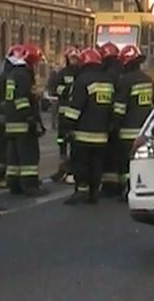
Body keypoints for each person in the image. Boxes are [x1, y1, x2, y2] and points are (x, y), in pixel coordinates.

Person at [62, 47, 115, 205]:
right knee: (97, 164)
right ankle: (94, 193)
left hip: (83, 134)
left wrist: (67, 127)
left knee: (82, 163)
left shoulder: (82, 80)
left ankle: (82, 192)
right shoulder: (108, 81)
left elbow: (75, 108)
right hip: (102, 134)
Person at [3, 44, 48, 197]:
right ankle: (30, 185)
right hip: (22, 123)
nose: (35, 66)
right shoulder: (23, 75)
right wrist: (31, 119)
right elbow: (22, 99)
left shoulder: (13, 74)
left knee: (14, 156)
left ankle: (14, 183)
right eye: (35, 63)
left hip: (12, 122)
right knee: (29, 155)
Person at [112, 45, 153, 202]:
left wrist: (114, 125)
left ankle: (128, 189)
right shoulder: (147, 80)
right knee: (141, 161)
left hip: (127, 131)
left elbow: (120, 108)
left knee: (125, 163)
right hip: (143, 130)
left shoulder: (125, 81)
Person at [0, 44, 25, 189]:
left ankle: (2, 176)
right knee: (4, 148)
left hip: (3, 116)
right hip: (7, 117)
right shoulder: (9, 76)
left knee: (5, 147)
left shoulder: (4, 75)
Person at [49, 46, 81, 183]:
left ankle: (71, 163)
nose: (74, 61)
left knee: (74, 138)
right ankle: (62, 153)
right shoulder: (62, 73)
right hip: (64, 110)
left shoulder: (81, 72)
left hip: (76, 111)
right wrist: (68, 90)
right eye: (72, 58)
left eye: (76, 58)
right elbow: (55, 88)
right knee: (62, 137)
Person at [98, 41, 123, 197]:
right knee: (119, 156)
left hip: (110, 121)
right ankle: (119, 185)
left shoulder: (107, 75)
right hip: (124, 122)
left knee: (109, 156)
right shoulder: (122, 72)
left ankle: (109, 187)